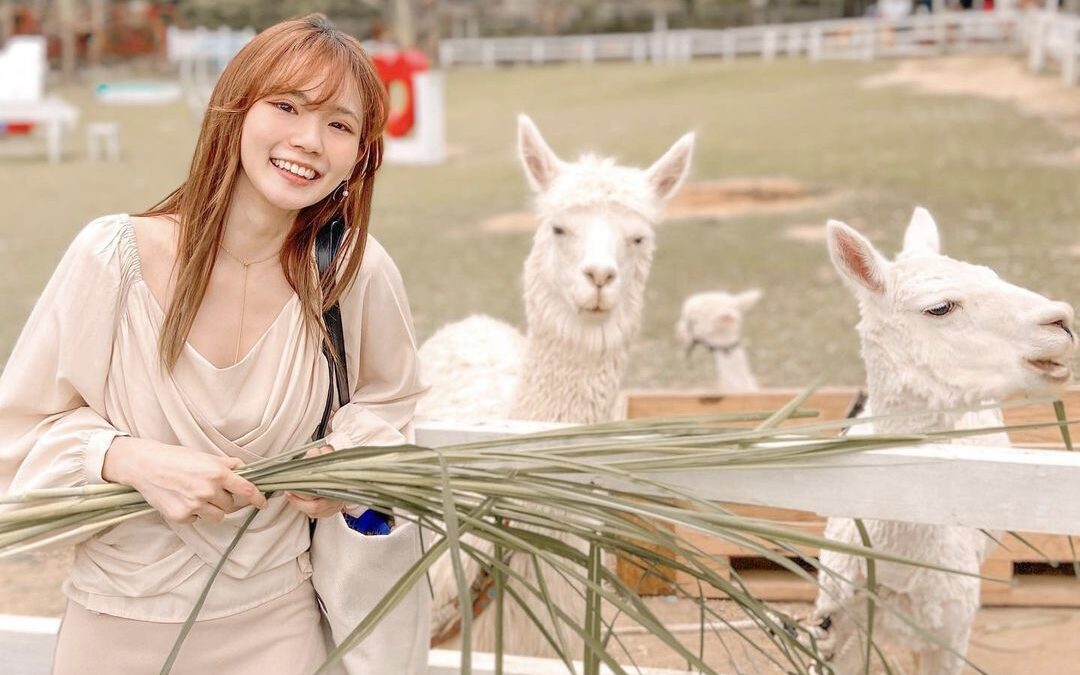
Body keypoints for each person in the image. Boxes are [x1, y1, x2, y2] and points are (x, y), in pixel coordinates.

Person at [0, 14, 427, 674]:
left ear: (359, 157)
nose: (309, 140)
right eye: (287, 106)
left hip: (277, 628)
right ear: (236, 107)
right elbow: (15, 436)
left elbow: (391, 409)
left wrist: (345, 460)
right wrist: (128, 457)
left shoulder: (353, 275)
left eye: (339, 125)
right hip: (114, 629)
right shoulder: (110, 259)